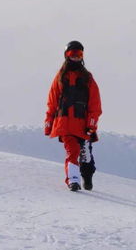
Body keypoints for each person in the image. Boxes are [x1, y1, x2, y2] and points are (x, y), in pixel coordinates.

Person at [44, 40, 102, 191]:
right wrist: (49, 122)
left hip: (83, 123)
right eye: (72, 54)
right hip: (64, 123)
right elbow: (52, 101)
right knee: (72, 150)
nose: (76, 57)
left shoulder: (87, 77)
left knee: (85, 153)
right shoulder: (60, 77)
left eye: (79, 54)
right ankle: (73, 180)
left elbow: (95, 103)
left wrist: (91, 123)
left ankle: (87, 176)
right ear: (66, 55)